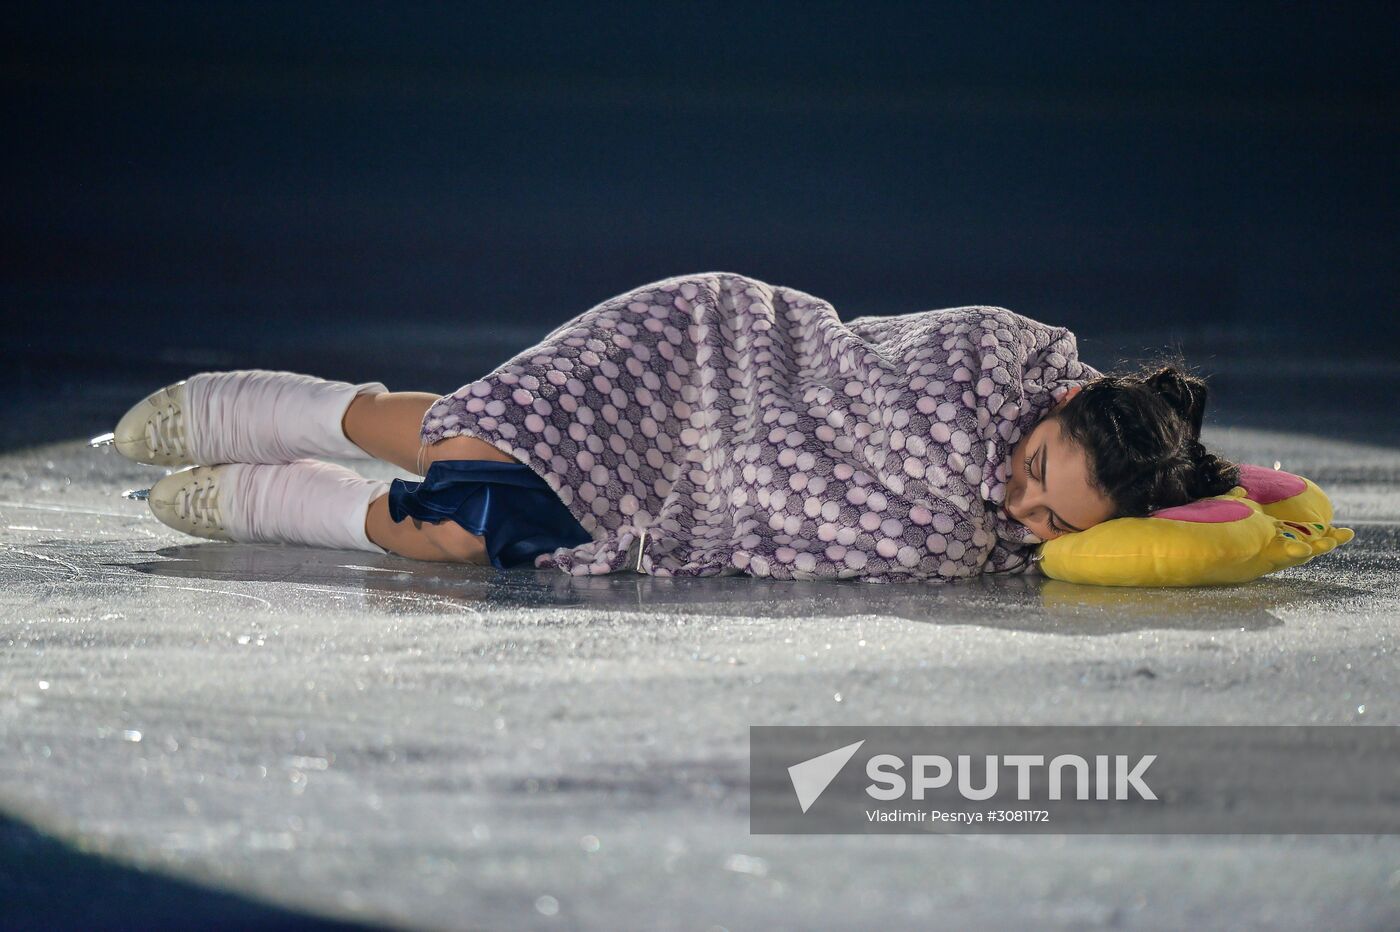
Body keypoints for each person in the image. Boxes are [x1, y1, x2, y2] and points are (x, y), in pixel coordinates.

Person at [105, 271, 1239, 583]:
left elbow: (1219, 509)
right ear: (1053, 404)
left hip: (701, 492)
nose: (1014, 500)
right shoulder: (997, 354)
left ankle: (273, 498)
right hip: (711, 360)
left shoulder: (1050, 513)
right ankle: (256, 411)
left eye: (1047, 517)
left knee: (457, 520)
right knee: (474, 438)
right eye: (1034, 465)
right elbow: (898, 424)